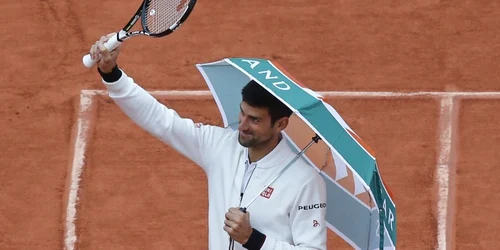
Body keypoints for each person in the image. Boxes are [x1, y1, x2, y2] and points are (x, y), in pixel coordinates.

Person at [89, 33, 328, 250]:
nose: (242, 126)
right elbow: (162, 121)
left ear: (281, 124)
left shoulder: (304, 181)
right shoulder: (221, 146)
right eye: (242, 113)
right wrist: (112, 74)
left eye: (254, 120)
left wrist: (253, 239)